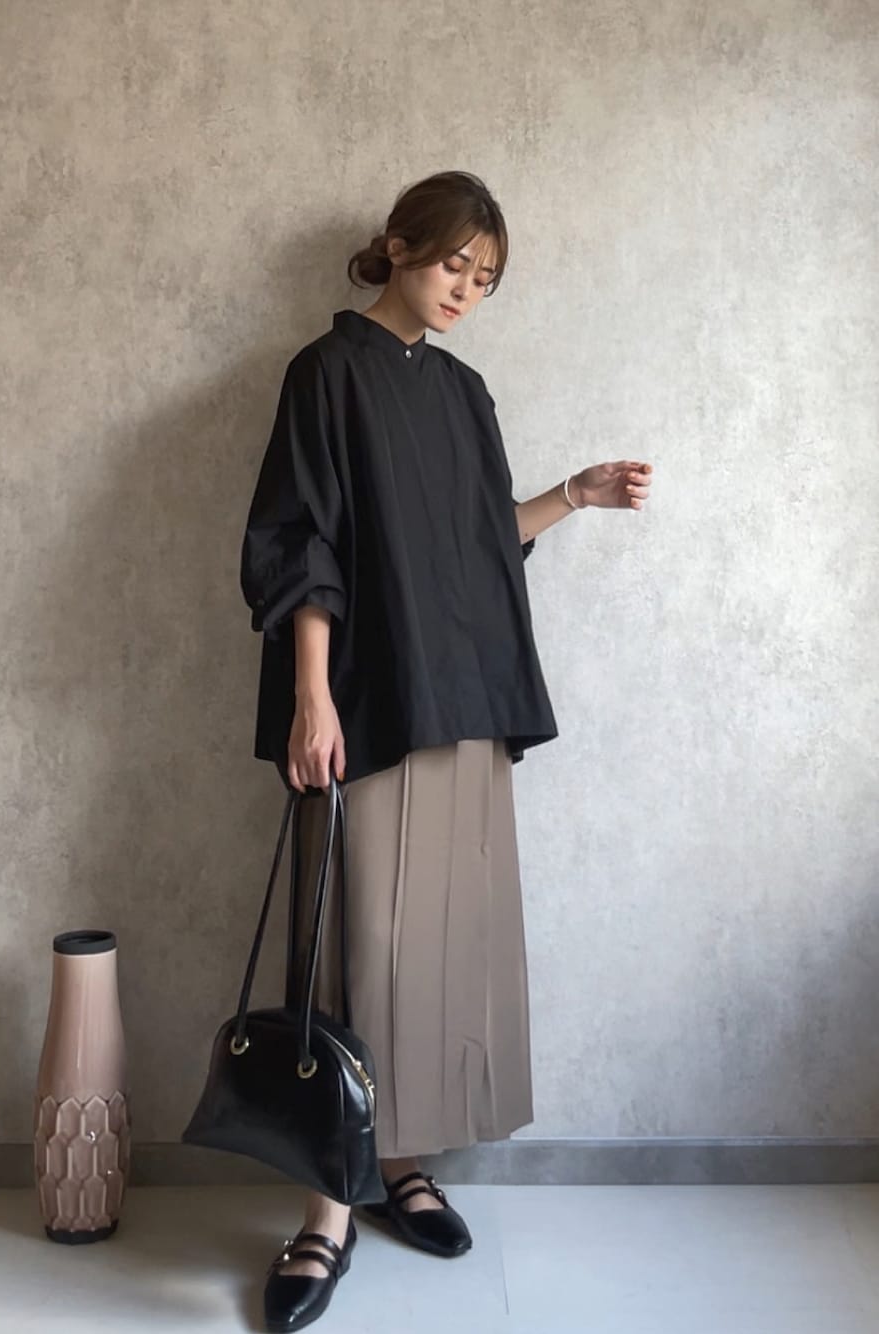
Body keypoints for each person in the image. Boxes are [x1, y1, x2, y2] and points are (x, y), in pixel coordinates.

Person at [240, 170, 653, 1332]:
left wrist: (572, 494)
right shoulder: (325, 372)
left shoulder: (465, 392)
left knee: (435, 952)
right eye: (452, 264)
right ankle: (327, 1208)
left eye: (485, 278)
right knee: (354, 947)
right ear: (397, 245)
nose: (465, 289)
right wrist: (310, 698)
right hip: (367, 701)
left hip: (462, 697)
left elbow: (476, 545)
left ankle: (403, 1160)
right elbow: (301, 543)